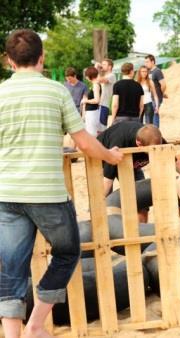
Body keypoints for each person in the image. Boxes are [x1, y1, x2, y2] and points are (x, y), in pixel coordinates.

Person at [0, 29, 123, 338]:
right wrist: (111, 156)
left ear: (8, 61)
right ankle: (36, 325)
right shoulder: (56, 92)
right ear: (42, 58)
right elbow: (83, 143)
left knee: (11, 268)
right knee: (67, 252)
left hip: (6, 192)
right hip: (47, 194)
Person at [97, 121, 163, 221]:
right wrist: (95, 209)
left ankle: (141, 231)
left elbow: (176, 163)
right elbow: (107, 181)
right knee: (106, 202)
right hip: (107, 156)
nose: (155, 153)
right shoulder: (119, 143)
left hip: (130, 163)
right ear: (139, 144)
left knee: (141, 203)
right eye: (151, 150)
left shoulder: (155, 140)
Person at [144, 54, 166, 127]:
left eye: (147, 62)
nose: (145, 64)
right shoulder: (149, 72)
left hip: (156, 98)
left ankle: (156, 132)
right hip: (149, 98)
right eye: (145, 62)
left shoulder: (157, 71)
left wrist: (161, 94)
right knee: (149, 115)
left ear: (152, 62)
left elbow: (163, 85)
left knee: (154, 115)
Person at [82, 66, 102, 136]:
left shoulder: (96, 85)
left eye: (86, 76)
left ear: (90, 76)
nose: (86, 77)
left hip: (92, 112)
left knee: (92, 134)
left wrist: (86, 101)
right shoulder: (94, 84)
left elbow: (97, 100)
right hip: (91, 112)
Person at [98, 58, 116, 129]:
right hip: (101, 104)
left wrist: (97, 69)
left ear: (110, 67)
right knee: (99, 127)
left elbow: (100, 80)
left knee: (102, 126)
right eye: (102, 64)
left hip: (105, 104)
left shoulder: (111, 75)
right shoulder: (105, 76)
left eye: (104, 64)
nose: (102, 66)